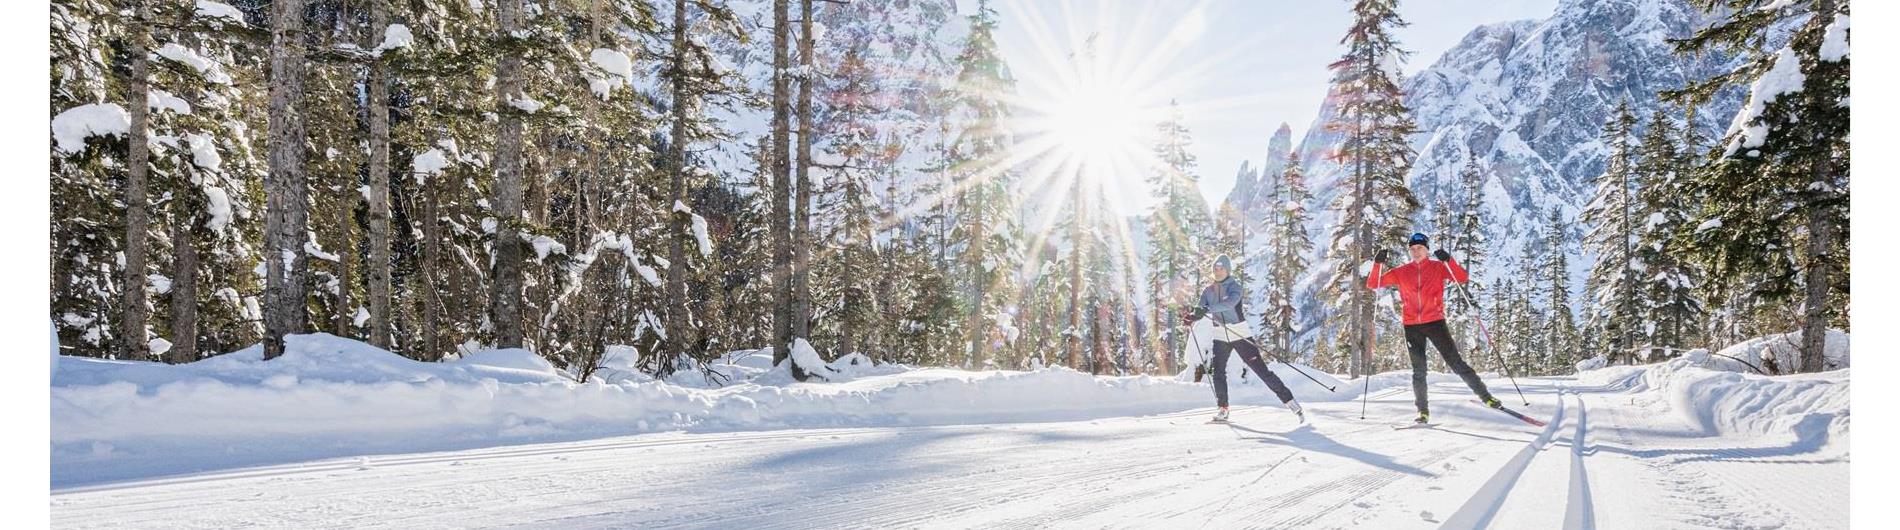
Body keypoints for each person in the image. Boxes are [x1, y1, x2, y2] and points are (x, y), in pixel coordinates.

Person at [1365, 232, 1500, 424]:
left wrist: (1449, 260)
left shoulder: (1438, 267)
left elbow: (1462, 277)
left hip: (1435, 322)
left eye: (1420, 248)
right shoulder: (1402, 271)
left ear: (1427, 250)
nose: (1416, 252)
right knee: (1419, 370)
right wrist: (1378, 264)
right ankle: (1423, 412)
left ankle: (1486, 396)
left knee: (1456, 362)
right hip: (1411, 325)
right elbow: (1373, 283)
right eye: (1412, 249)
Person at [1183, 255, 1303, 423]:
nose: (1218, 272)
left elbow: (1229, 304)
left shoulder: (1235, 287)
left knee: (1261, 371)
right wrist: (1192, 317)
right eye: (1215, 269)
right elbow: (1199, 308)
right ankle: (1223, 409)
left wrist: (1207, 309)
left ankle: (1290, 401)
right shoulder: (1208, 291)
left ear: (1228, 270)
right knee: (1218, 372)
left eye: (1221, 269)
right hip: (1220, 335)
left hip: (1240, 333)